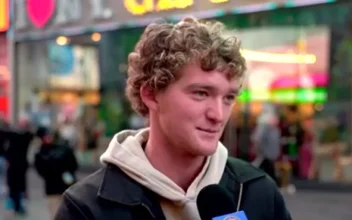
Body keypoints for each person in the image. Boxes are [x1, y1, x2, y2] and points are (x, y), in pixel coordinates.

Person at [54, 17, 292, 220]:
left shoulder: (258, 192)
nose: (218, 115)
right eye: (201, 93)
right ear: (151, 94)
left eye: (228, 97)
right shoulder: (87, 208)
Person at [34, 128, 78, 218]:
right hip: (56, 187)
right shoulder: (41, 152)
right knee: (57, 213)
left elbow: (74, 165)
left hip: (64, 187)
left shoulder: (42, 152)